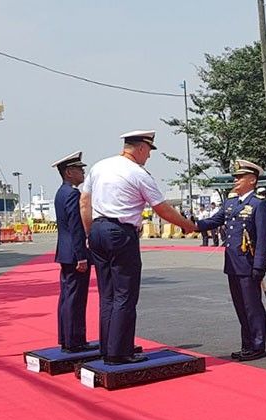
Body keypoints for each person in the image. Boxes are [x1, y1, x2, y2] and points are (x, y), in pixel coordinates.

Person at [81, 130, 194, 365]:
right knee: (125, 294)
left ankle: (108, 346)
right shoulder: (138, 174)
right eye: (149, 152)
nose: (149, 157)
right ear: (141, 148)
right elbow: (162, 209)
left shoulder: (99, 166)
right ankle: (120, 352)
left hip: (98, 230)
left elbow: (84, 202)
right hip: (121, 233)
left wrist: (90, 232)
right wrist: (187, 225)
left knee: (107, 294)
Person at [194, 160, 266, 361]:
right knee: (240, 306)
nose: (235, 181)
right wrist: (190, 224)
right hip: (232, 263)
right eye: (235, 177)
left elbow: (263, 239)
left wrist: (260, 266)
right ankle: (247, 344)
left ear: (252, 180)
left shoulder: (259, 204)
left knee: (252, 306)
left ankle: (257, 345)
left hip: (248, 264)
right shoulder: (231, 203)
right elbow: (213, 221)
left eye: (240, 177)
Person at [52, 151, 97, 353]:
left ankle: (67, 338)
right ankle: (75, 341)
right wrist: (81, 256)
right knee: (75, 299)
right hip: (75, 254)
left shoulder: (62, 192)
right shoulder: (72, 194)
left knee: (67, 297)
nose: (83, 172)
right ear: (69, 172)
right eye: (79, 169)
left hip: (66, 251)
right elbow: (76, 226)